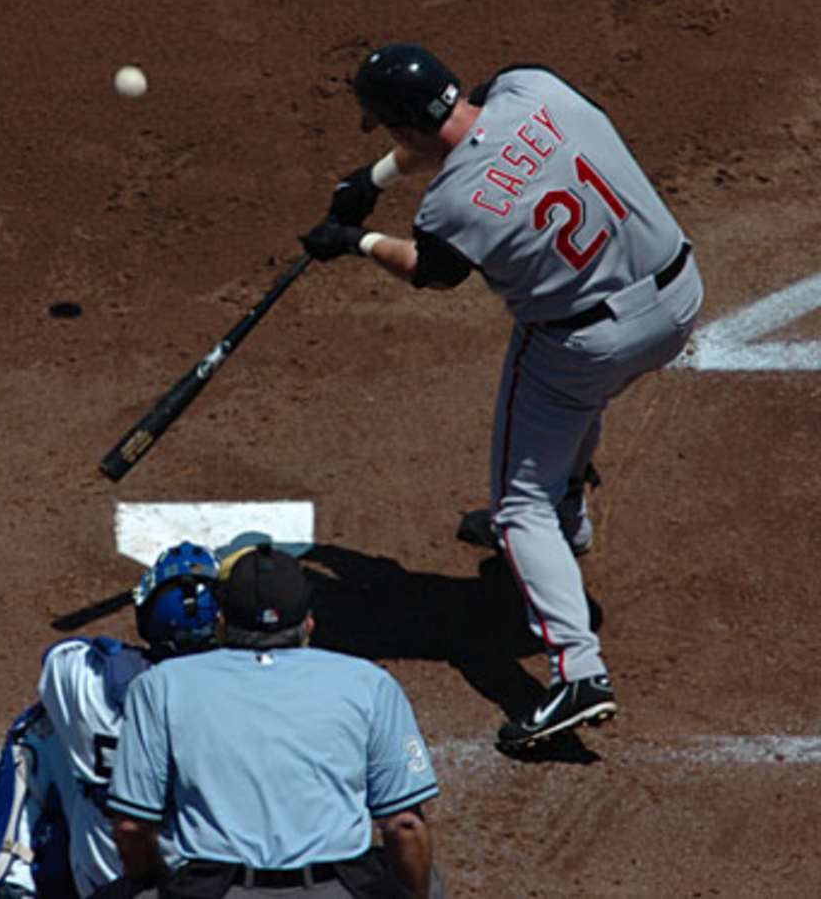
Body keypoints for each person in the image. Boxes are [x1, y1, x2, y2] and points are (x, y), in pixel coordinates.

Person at [299, 43, 704, 751]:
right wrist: (376, 176)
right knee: (571, 390)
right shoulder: (534, 86)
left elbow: (431, 271)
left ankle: (579, 673)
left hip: (587, 345)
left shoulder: (451, 206)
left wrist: (354, 236)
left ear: (398, 130)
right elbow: (463, 123)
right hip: (679, 300)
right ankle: (569, 510)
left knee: (519, 505)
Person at [105, 543, 445, 899]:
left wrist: (160, 881)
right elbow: (405, 825)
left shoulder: (160, 685)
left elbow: (131, 827)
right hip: (336, 889)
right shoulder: (370, 683)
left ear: (221, 623)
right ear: (308, 622)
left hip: (215, 890)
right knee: (426, 881)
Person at [0, 541, 223, 898]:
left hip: (104, 884)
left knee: (37, 728)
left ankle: (10, 879)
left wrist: (119, 657)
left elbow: (58, 656)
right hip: (210, 888)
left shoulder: (86, 683)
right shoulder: (245, 705)